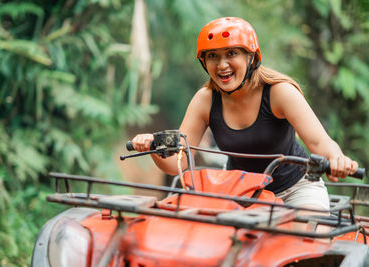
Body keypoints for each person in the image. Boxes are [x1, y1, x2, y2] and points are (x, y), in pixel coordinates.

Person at [131, 17, 358, 211]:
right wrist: (153, 147)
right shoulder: (206, 99)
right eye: (212, 56)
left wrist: (337, 158)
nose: (222, 65)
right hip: (238, 192)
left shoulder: (279, 92)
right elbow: (177, 163)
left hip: (295, 191)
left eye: (232, 53)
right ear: (204, 62)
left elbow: (319, 142)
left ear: (251, 57)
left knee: (305, 243)